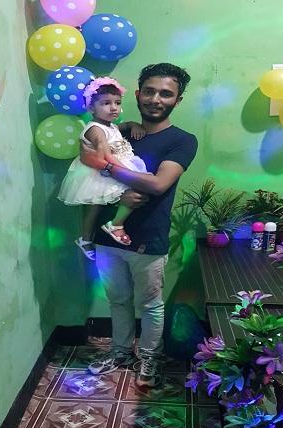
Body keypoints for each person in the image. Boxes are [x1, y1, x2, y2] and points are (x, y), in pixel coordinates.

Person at [83, 63, 198, 388]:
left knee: (150, 304)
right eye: (149, 91)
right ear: (137, 94)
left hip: (149, 239)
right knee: (117, 301)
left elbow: (158, 184)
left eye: (166, 94)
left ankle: (149, 357)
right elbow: (85, 164)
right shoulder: (115, 131)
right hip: (107, 236)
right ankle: (120, 352)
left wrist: (107, 167)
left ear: (177, 100)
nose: (155, 99)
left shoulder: (182, 140)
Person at [58, 77, 149, 261]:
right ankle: (115, 224)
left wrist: (132, 124)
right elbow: (105, 155)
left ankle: (86, 238)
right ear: (92, 108)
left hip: (110, 167)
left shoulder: (110, 126)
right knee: (132, 192)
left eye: (117, 103)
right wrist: (129, 173)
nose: (114, 108)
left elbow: (120, 127)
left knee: (95, 206)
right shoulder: (95, 130)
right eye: (106, 103)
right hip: (102, 169)